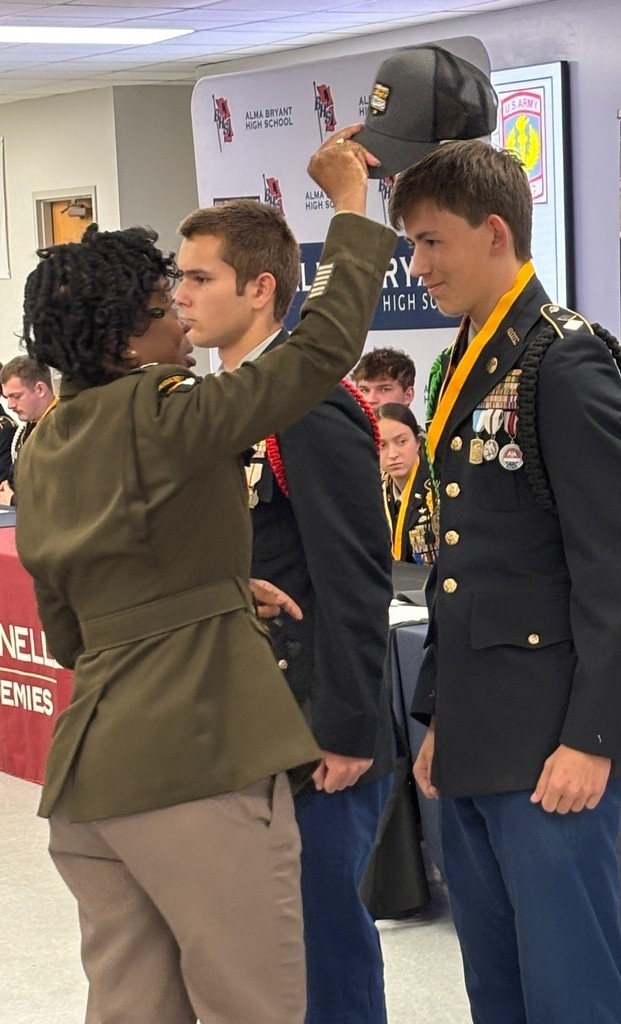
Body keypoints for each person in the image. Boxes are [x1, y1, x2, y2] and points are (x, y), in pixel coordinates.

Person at [12, 128, 397, 1024]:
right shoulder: (166, 410)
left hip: (89, 788)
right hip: (194, 767)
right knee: (253, 1004)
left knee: (134, 1009)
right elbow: (317, 353)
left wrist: (213, 594)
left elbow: (71, 630)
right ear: (125, 335)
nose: (178, 314)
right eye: (162, 299)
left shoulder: (47, 444)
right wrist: (348, 211)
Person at [390, 140, 621, 1024]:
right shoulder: (472, 353)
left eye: (432, 243)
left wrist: (593, 737)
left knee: (570, 985)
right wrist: (439, 718)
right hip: (479, 726)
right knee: (496, 984)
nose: (418, 267)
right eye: (412, 246)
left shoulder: (562, 359)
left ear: (495, 231)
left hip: (551, 738)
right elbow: (463, 570)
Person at [175, 197, 395, 1024]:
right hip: (244, 716)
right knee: (259, 946)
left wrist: (343, 727)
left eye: (201, 277)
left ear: (261, 288)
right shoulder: (229, 400)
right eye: (179, 277)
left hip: (310, 719)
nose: (182, 296)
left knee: (321, 943)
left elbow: (355, 576)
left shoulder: (306, 405)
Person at [377, 402, 438, 565]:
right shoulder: (371, 490)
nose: (393, 454)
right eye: (382, 445)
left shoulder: (438, 487)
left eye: (401, 442)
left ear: (417, 442)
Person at [0, 355, 56, 502]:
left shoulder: (63, 428)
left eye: (16, 396)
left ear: (40, 389)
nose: (10, 405)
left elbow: (57, 491)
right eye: (7, 398)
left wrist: (12, 500)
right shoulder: (27, 429)